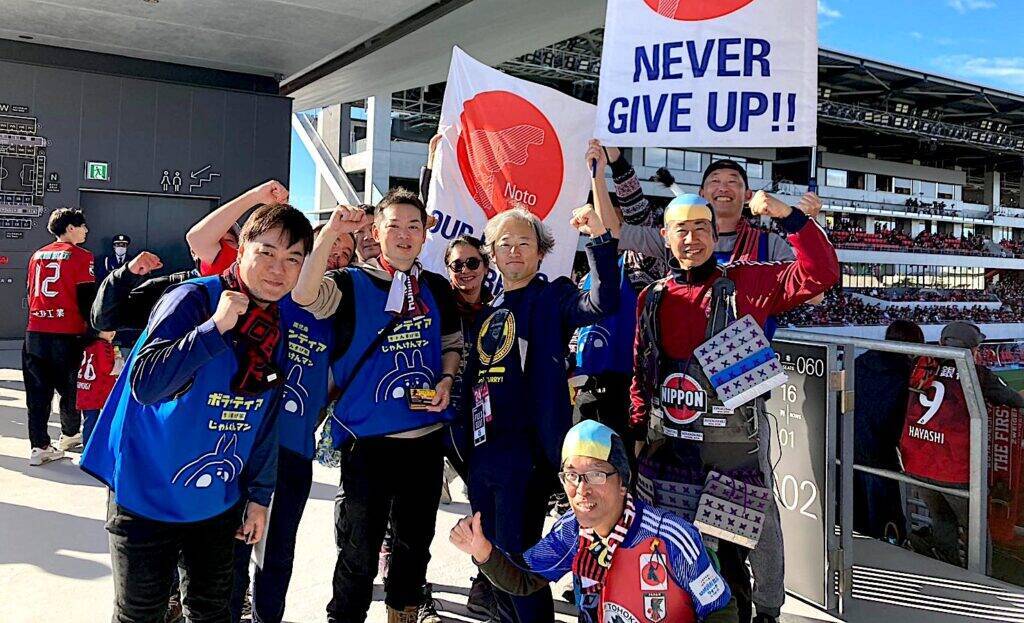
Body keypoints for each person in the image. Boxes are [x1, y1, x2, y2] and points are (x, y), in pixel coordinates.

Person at [80, 203, 313, 623]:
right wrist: (215, 328)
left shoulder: (275, 324)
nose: (279, 269)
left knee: (212, 612)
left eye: (293, 258)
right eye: (267, 253)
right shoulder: (191, 299)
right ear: (241, 249)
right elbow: (147, 383)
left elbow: (264, 416)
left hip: (215, 501)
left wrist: (260, 497)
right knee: (141, 614)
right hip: (145, 492)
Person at [629, 192, 839, 623]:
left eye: (701, 228)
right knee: (678, 558)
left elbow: (821, 274)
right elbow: (642, 371)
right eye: (681, 230)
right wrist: (636, 429)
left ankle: (763, 610)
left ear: (715, 232)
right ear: (665, 238)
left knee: (741, 548)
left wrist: (790, 217)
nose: (691, 239)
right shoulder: (651, 297)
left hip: (732, 448)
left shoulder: (744, 283)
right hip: (670, 450)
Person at [291, 188, 462, 623]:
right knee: (358, 546)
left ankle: (403, 612)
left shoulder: (436, 288)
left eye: (413, 226)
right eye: (394, 226)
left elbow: (451, 344)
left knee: (414, 541)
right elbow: (304, 295)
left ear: (426, 234)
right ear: (376, 231)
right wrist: (331, 231)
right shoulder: (351, 284)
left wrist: (446, 377)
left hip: (424, 439)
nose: (404, 235)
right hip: (367, 441)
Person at [461, 163, 620, 623]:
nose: (513, 251)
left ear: (540, 252)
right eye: (504, 244)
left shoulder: (554, 297)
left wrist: (599, 241)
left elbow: (604, 300)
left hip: (527, 456)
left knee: (517, 559)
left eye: (523, 243)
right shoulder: (488, 309)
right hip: (483, 456)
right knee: (487, 556)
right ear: (492, 254)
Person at [450, 419, 736, 623]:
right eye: (571, 476)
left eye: (596, 475)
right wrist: (482, 551)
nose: (582, 489)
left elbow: (721, 608)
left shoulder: (670, 537)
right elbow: (525, 579)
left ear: (623, 482)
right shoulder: (572, 531)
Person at [901, 321, 1024, 567]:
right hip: (954, 468)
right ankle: (981, 579)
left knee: (941, 520)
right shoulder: (977, 374)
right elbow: (1013, 400)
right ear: (974, 350)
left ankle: (948, 571)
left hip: (917, 463)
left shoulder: (922, 368)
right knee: (976, 529)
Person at [24, 207, 96, 464]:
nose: (86, 230)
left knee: (37, 391)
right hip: (66, 332)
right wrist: (96, 328)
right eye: (82, 226)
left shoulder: (37, 255)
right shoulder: (81, 256)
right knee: (70, 387)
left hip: (35, 332)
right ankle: (69, 433)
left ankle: (39, 445)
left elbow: (32, 291)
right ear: (70, 228)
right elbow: (87, 298)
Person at [852, 320, 924, 543]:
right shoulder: (904, 373)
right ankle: (890, 546)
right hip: (882, 449)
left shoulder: (861, 362)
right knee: (885, 510)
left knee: (859, 508)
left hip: (852, 443)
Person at [76, 329, 120, 446]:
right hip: (98, 390)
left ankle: (87, 448)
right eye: (109, 330)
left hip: (84, 387)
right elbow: (107, 368)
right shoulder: (102, 345)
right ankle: (92, 450)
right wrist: (119, 363)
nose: (113, 333)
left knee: (89, 420)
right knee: (99, 419)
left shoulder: (86, 344)